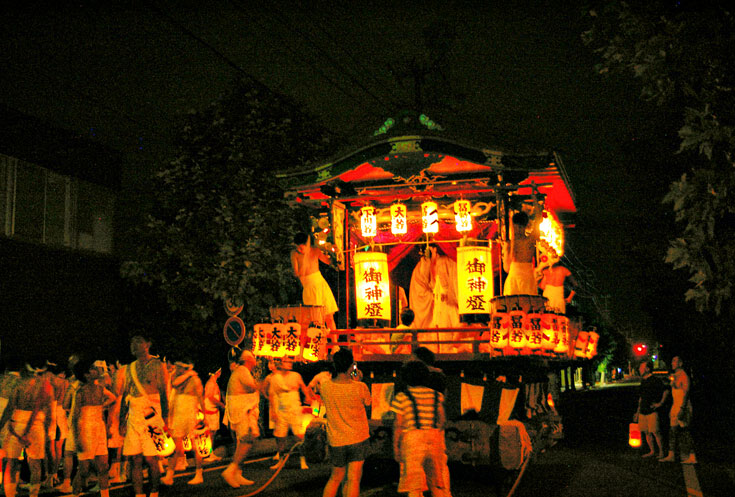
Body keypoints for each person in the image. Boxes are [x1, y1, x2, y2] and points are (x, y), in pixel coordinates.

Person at [391, 360, 452, 497]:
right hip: (434, 436)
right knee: (436, 482)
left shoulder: (402, 397)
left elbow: (398, 424)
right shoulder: (436, 395)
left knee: (414, 486)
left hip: (412, 439)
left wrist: (396, 446)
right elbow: (442, 419)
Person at [118, 335, 170, 497]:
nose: (134, 345)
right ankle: (139, 494)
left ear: (148, 344)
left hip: (152, 417)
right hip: (133, 416)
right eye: (132, 342)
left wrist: (166, 420)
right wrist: (121, 420)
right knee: (135, 459)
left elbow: (163, 394)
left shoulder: (157, 365)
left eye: (138, 342)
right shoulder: (129, 368)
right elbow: (125, 396)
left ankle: (154, 492)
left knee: (151, 459)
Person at [315, 348, 371, 497]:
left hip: (337, 440)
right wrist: (357, 379)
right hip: (358, 437)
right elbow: (368, 402)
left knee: (335, 478)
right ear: (351, 365)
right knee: (353, 479)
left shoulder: (325, 387)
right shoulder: (360, 387)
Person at [0, 358, 53, 497]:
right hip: (37, 424)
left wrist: (0, 425)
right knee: (35, 463)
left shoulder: (19, 385)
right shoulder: (45, 386)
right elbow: (48, 411)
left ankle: (10, 494)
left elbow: (10, 407)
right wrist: (47, 430)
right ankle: (33, 494)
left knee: (11, 462)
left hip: (17, 421)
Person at [70, 356, 117, 497]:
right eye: (92, 369)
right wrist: (78, 439)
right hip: (85, 429)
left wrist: (106, 427)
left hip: (99, 428)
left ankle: (105, 494)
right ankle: (74, 493)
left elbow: (112, 398)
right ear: (86, 375)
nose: (96, 370)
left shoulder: (100, 388)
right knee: (84, 469)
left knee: (103, 466)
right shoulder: (80, 392)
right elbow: (74, 418)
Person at [161, 358, 205, 486]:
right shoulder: (178, 380)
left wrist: (204, 416)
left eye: (178, 367)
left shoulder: (194, 380)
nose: (176, 369)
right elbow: (173, 399)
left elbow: (200, 398)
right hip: (179, 416)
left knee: (195, 446)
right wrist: (170, 418)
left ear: (184, 367)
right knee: (176, 447)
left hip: (190, 414)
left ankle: (199, 473)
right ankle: (169, 476)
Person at [221, 348, 260, 488]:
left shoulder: (241, 371)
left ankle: (237, 473)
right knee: (247, 439)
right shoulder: (243, 371)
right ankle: (231, 470)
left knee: (244, 441)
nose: (255, 360)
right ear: (248, 360)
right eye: (253, 357)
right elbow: (251, 387)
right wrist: (263, 385)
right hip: (243, 411)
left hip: (241, 409)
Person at [267, 358, 314, 470]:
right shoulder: (275, 378)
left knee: (298, 434)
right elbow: (272, 395)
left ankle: (302, 459)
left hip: (294, 408)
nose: (289, 364)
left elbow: (303, 387)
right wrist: (273, 411)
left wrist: (307, 396)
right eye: (286, 362)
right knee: (280, 436)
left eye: (290, 362)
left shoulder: (296, 375)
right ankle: (281, 460)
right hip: (281, 409)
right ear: (280, 363)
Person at [291, 232, 339, 331]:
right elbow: (295, 273)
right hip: (308, 287)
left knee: (329, 315)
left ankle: (335, 343)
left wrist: (330, 252)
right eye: (298, 248)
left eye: (302, 248)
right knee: (315, 318)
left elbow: (328, 262)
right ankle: (320, 342)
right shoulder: (295, 254)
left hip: (320, 284)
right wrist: (302, 268)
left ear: (307, 245)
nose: (300, 250)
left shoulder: (315, 251)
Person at [660, 356, 696, 464]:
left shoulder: (684, 376)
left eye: (674, 361)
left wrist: (682, 409)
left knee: (685, 432)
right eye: (672, 361)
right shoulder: (675, 376)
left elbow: (685, 394)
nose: (672, 363)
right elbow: (672, 385)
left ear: (680, 363)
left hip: (682, 406)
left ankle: (692, 456)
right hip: (675, 406)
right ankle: (671, 455)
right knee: (672, 431)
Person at [502, 200, 541, 296]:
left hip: (527, 273)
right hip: (515, 272)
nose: (518, 230)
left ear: (525, 227)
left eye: (520, 227)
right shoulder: (511, 242)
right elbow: (506, 267)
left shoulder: (530, 240)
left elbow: (539, 221)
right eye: (516, 227)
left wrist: (536, 201)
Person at [635, 360, 668, 459]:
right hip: (643, 411)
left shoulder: (655, 380)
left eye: (642, 367)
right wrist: (637, 411)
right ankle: (652, 451)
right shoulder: (643, 381)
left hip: (652, 410)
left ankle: (661, 452)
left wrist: (660, 404)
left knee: (655, 432)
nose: (639, 369)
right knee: (646, 432)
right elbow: (641, 397)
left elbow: (666, 391)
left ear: (647, 369)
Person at [410, 248, 436, 351]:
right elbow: (425, 279)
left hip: (422, 294)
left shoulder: (423, 264)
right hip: (422, 296)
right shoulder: (424, 264)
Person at [202, 367, 225, 462]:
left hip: (212, 410)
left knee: (212, 433)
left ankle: (209, 453)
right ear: (218, 372)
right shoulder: (211, 383)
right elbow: (210, 397)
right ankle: (209, 454)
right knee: (211, 433)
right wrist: (222, 405)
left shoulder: (212, 382)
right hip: (210, 411)